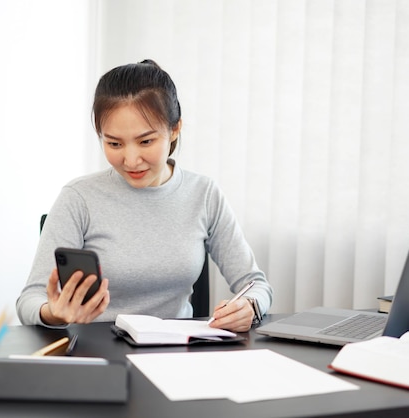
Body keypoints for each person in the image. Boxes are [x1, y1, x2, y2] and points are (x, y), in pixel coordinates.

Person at [16, 59, 273, 332]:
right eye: (114, 143)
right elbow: (29, 301)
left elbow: (255, 284)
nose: (131, 159)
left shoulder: (204, 194)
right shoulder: (78, 198)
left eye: (146, 141)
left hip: (175, 354)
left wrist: (249, 306)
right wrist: (55, 313)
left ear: (174, 129)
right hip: (98, 356)